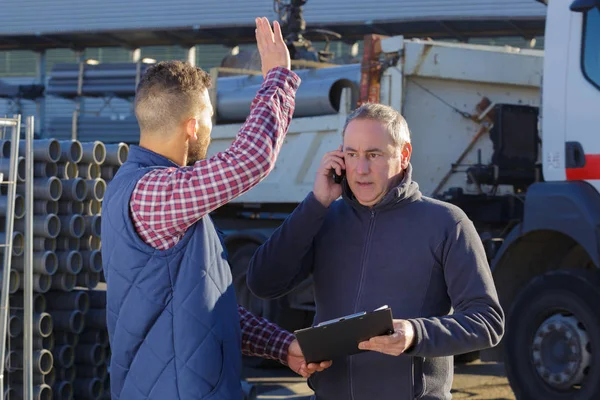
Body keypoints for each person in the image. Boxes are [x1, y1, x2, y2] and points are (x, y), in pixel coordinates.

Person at [101, 17, 330, 400]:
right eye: (210, 117)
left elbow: (205, 308)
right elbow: (251, 158)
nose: (212, 124)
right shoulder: (152, 192)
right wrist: (278, 78)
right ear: (192, 127)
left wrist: (281, 345)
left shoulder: (149, 191)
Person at [246, 103, 505, 399]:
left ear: (404, 155)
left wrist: (414, 334)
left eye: (374, 154)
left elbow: (487, 322)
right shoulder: (323, 217)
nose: (360, 169)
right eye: (351, 154)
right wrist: (315, 203)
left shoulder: (447, 223)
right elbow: (262, 284)